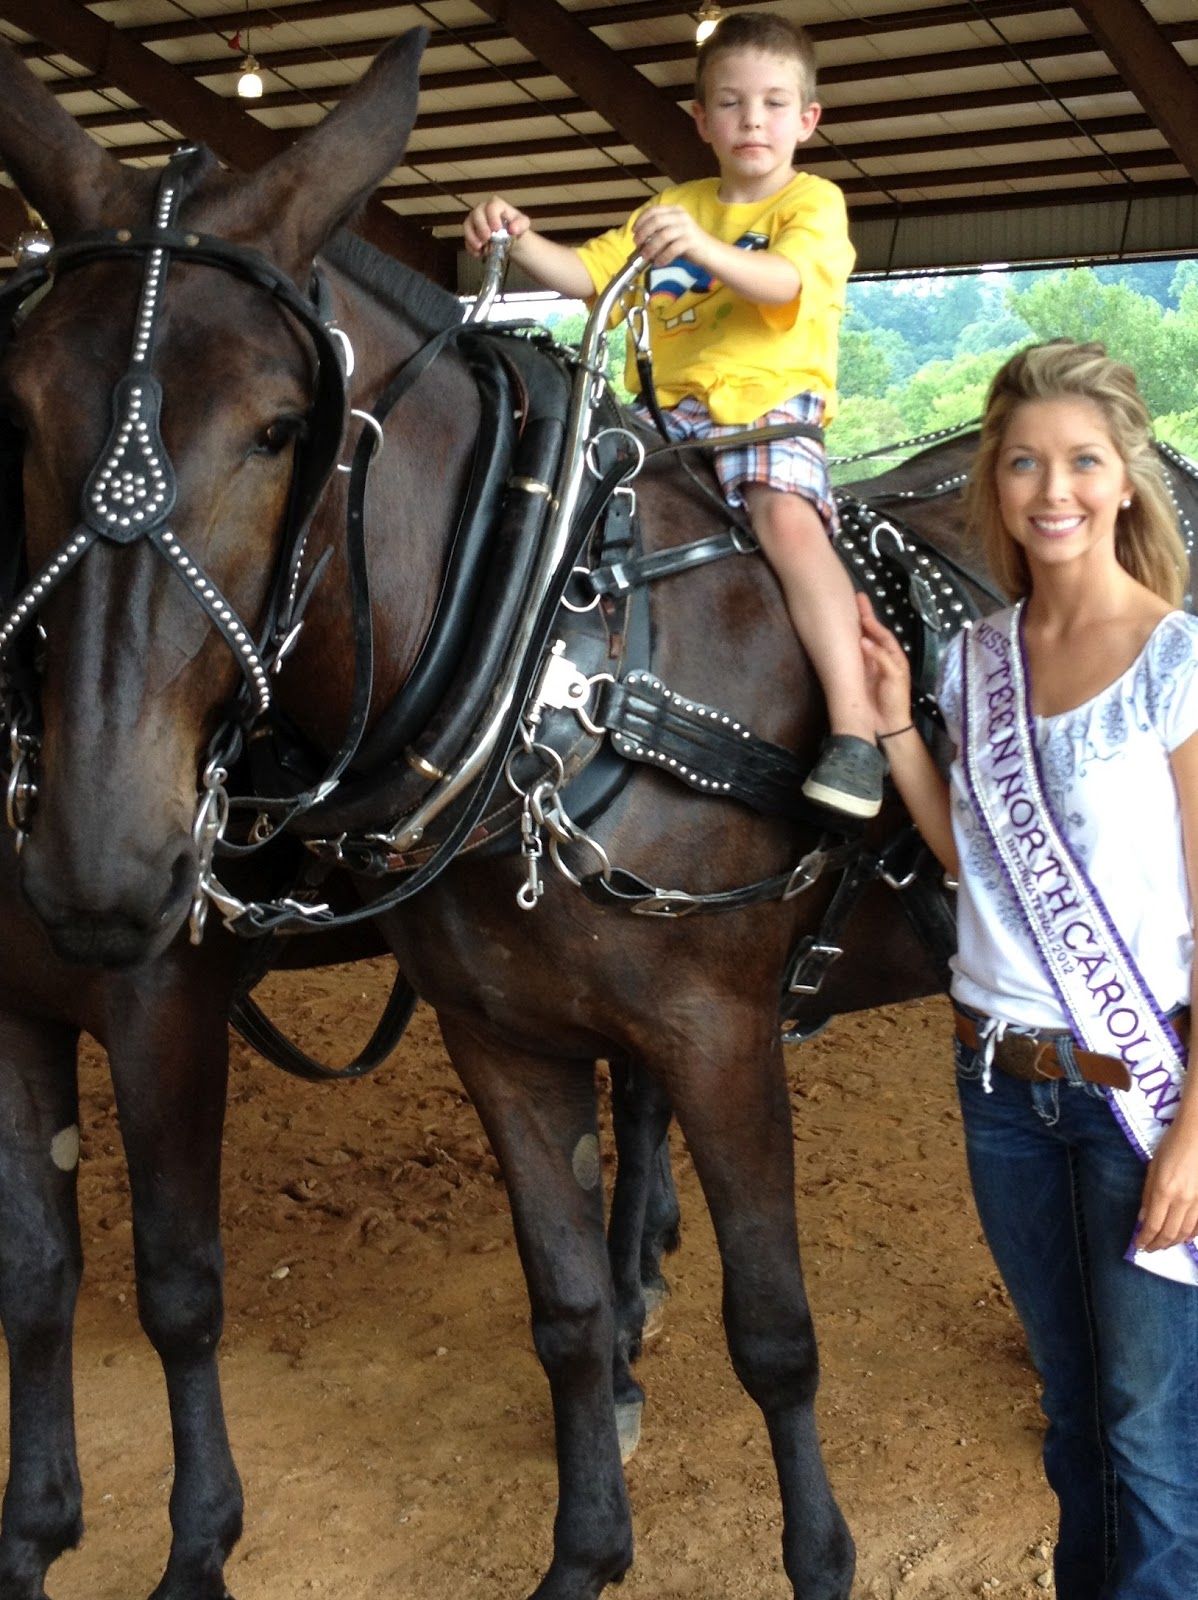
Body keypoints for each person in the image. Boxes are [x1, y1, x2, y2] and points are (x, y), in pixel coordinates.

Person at [859, 338, 1198, 1599]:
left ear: (1123, 480)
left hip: (1140, 1097)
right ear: (995, 484)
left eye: (1080, 461)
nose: (1051, 488)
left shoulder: (1178, 660)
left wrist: (1193, 1134)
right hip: (999, 1090)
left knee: (1152, 1444)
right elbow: (976, 862)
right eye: (1023, 463)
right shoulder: (974, 660)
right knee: (1070, 1416)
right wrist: (899, 724)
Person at [462, 12, 884, 819]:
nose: (751, 120)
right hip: (664, 427)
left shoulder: (811, 202)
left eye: (771, 102)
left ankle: (856, 732)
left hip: (766, 415)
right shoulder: (675, 204)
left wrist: (698, 247)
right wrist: (517, 238)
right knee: (564, 522)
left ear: (807, 119)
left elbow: (787, 284)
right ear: (701, 120)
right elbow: (589, 278)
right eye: (729, 103)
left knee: (787, 521)